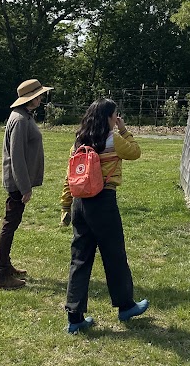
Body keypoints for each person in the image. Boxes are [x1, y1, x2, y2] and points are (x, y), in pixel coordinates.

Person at [60, 99, 148, 334]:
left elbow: (69, 176)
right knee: (114, 255)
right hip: (103, 202)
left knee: (80, 258)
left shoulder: (77, 143)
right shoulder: (114, 139)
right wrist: (124, 129)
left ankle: (75, 316)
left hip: (80, 204)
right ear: (109, 117)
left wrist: (65, 205)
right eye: (115, 115)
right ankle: (126, 306)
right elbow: (136, 152)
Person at [0, 78, 52, 290]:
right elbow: (16, 157)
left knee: (12, 223)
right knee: (9, 224)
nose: (41, 97)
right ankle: (1, 275)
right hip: (18, 183)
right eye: (39, 95)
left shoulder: (24, 116)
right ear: (31, 98)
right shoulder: (19, 119)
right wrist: (25, 187)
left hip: (20, 181)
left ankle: (6, 266)